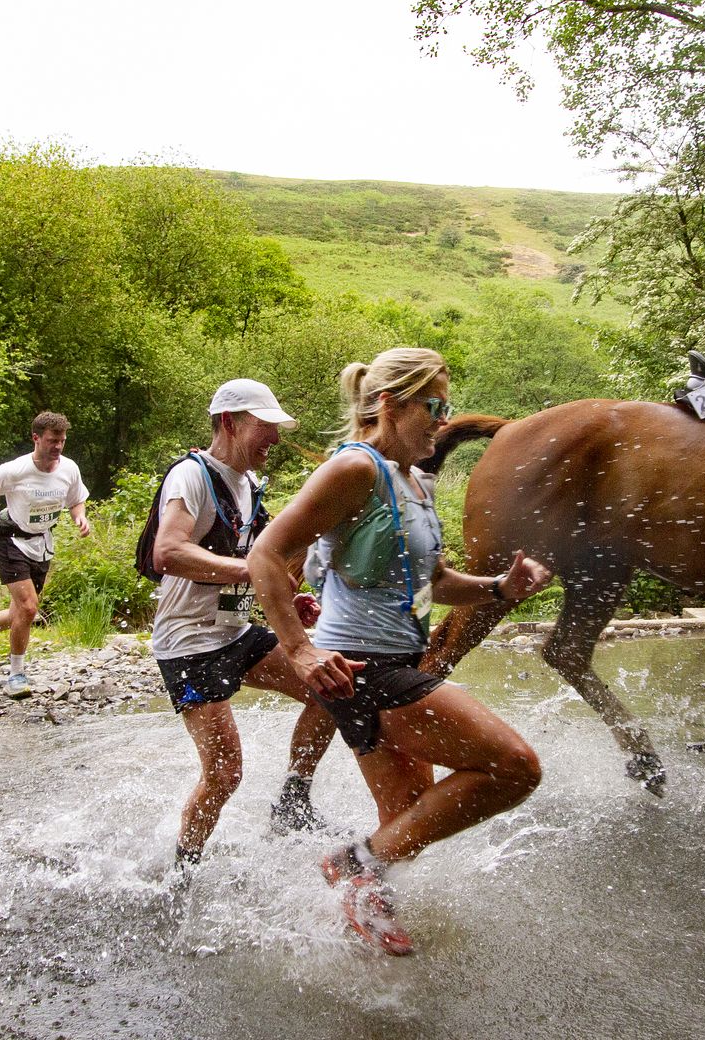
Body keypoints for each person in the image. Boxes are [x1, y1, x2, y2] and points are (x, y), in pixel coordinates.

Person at [248, 349, 553, 956]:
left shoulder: (411, 480)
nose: (443, 421)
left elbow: (432, 577)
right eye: (433, 407)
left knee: (408, 820)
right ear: (389, 404)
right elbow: (265, 555)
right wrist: (300, 651)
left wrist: (497, 587)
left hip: (395, 663)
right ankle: (353, 867)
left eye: (447, 408)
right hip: (363, 668)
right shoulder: (355, 470)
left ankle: (360, 929)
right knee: (516, 767)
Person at [146, 379, 339, 868]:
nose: (274, 439)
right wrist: (259, 575)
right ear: (229, 423)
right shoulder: (190, 476)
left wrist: (286, 596)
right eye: (265, 427)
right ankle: (183, 870)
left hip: (234, 632)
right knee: (225, 773)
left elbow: (249, 562)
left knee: (330, 690)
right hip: (189, 643)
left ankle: (293, 801)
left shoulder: (250, 485)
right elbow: (168, 551)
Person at [0, 412, 92, 699]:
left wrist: (80, 518)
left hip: (42, 544)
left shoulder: (68, 468)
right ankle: (16, 673)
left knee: (21, 613)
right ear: (36, 438)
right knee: (29, 609)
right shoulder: (14, 470)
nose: (58, 447)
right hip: (11, 542)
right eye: (53, 441)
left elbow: (76, 500)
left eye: (62, 441)